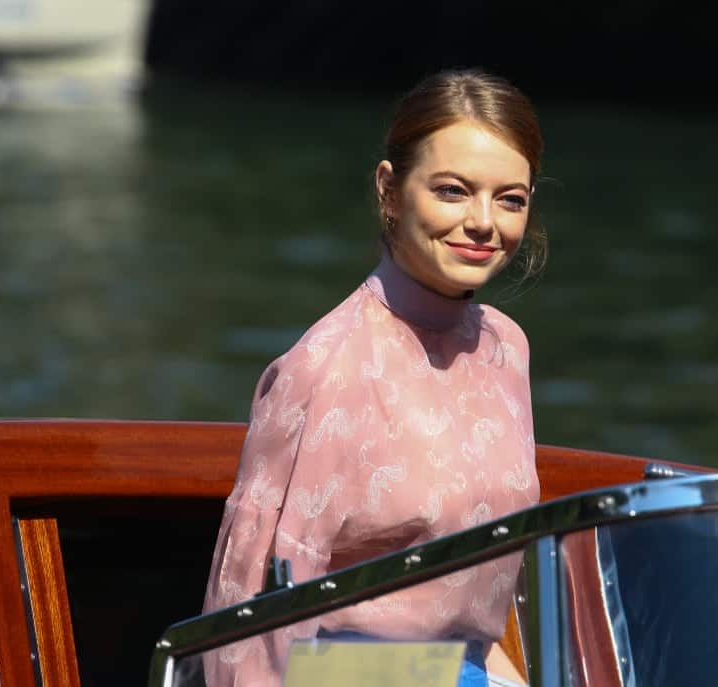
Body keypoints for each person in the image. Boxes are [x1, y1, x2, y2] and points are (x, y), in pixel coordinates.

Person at [203, 68, 545, 687]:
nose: (483, 222)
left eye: (510, 199)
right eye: (452, 190)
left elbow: (470, 618)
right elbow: (247, 632)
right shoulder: (326, 368)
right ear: (390, 190)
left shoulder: (506, 349)